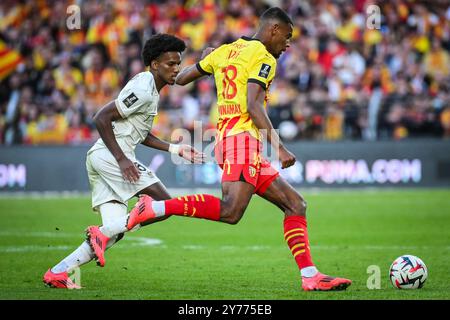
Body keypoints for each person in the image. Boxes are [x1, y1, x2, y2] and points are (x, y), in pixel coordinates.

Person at [88, 7, 352, 291]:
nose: (287, 45)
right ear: (273, 30)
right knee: (231, 211)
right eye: (286, 37)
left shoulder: (225, 51)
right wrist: (281, 148)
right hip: (241, 141)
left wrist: (206, 59)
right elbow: (253, 105)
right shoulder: (263, 57)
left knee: (295, 204)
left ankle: (310, 275)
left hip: (230, 140)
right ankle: (155, 207)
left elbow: (179, 78)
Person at [43, 34, 204, 289]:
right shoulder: (143, 88)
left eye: (178, 63)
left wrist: (175, 148)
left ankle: (59, 272)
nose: (176, 69)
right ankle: (101, 233)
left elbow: (140, 134)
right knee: (164, 203)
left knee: (115, 231)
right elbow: (101, 117)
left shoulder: (151, 90)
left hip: (105, 157)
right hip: (110, 157)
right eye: (170, 63)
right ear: (153, 64)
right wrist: (122, 160)